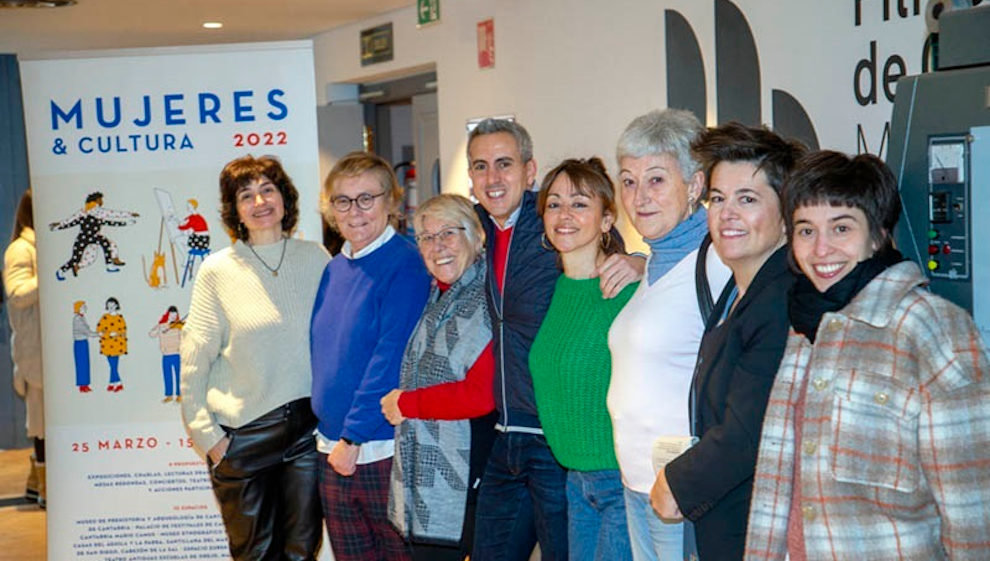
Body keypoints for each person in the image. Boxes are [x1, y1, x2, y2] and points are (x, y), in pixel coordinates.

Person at [745, 151, 990, 560]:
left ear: (877, 235)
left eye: (841, 228)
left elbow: (972, 505)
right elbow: (778, 478)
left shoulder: (930, 328)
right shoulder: (805, 320)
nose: (821, 249)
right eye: (806, 230)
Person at [467, 118, 644, 561]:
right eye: (480, 166)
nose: (492, 178)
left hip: (570, 452)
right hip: (514, 437)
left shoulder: (562, 236)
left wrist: (642, 262)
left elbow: (613, 260)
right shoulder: (481, 232)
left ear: (529, 171)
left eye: (504, 164)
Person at [651, 123, 806, 560]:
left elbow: (750, 432)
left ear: (787, 214)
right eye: (718, 199)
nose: (727, 214)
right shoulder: (736, 289)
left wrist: (676, 484)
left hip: (760, 531)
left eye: (748, 199)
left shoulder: (782, 302)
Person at [180, 155, 328, 561]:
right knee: (255, 555)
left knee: (301, 551)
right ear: (236, 211)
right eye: (247, 195)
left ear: (284, 198)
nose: (260, 201)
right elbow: (194, 361)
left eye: (268, 189)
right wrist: (210, 439)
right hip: (243, 436)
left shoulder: (317, 258)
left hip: (306, 432)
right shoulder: (217, 270)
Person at [608, 110, 732, 561]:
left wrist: (692, 477)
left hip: (683, 491)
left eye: (656, 179)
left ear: (696, 185)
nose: (639, 197)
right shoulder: (652, 263)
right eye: (628, 180)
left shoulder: (719, 265)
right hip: (639, 483)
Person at [310, 151, 431, 561]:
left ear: (391, 202)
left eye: (367, 198)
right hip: (334, 446)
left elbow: (391, 358)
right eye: (343, 200)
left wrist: (352, 436)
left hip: (376, 448)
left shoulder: (406, 264)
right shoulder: (335, 268)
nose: (354, 211)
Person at [529, 157, 637, 561]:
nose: (564, 215)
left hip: (621, 482)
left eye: (579, 204)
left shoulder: (624, 289)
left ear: (607, 219)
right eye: (554, 204)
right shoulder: (558, 288)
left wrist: (643, 262)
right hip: (575, 479)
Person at [380, 194, 496, 561]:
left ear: (476, 236)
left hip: (465, 480)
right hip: (427, 485)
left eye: (448, 232)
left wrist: (406, 403)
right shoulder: (438, 296)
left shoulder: (486, 298)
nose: (437, 246)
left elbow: (481, 395)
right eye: (427, 237)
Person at [3, 189, 46, 507]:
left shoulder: (42, 247)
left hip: (47, 351)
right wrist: (50, 274)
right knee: (41, 422)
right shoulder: (21, 249)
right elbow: (17, 293)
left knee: (47, 421)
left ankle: (37, 483)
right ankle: (46, 488)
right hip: (36, 350)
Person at [49, 191, 138, 280]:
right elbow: (71, 222)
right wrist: (58, 226)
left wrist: (59, 225)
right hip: (87, 238)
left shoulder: (87, 213)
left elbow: (71, 221)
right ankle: (108, 264)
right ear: (97, 200)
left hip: (89, 238)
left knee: (95, 253)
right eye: (100, 200)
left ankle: (108, 263)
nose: (102, 202)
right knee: (100, 246)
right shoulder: (95, 212)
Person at [149, 305, 182, 403]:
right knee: (167, 375)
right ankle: (169, 395)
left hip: (177, 354)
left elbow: (185, 336)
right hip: (166, 354)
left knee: (178, 375)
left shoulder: (178, 326)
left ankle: (179, 394)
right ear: (168, 315)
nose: (173, 317)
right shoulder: (162, 326)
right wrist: (159, 328)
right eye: (171, 315)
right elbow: (151, 334)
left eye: (175, 315)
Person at [96, 297, 128, 392]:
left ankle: (113, 383)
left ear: (116, 305)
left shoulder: (120, 318)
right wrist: (108, 334)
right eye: (109, 306)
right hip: (107, 344)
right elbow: (99, 330)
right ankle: (116, 382)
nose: (110, 307)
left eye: (112, 305)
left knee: (114, 364)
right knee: (113, 365)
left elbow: (123, 330)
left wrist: (117, 334)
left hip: (117, 345)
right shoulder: (104, 317)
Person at [72, 300, 97, 393]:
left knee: (85, 364)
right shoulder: (78, 319)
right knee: (81, 364)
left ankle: (85, 385)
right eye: (83, 307)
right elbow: (87, 331)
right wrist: (98, 334)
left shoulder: (82, 318)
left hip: (83, 342)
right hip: (80, 343)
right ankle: (82, 385)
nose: (85, 308)